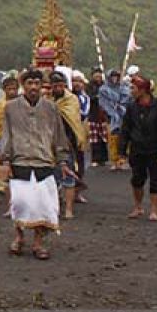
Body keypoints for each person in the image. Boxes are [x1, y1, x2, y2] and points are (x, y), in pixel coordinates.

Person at [0, 69, 72, 260]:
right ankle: (19, 237)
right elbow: (6, 135)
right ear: (24, 85)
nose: (33, 87)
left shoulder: (51, 108)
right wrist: (5, 160)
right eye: (29, 83)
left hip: (44, 162)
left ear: (41, 86)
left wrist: (63, 160)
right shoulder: (11, 108)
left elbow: (59, 136)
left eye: (36, 83)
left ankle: (39, 242)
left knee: (43, 206)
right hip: (20, 161)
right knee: (19, 203)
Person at [119, 75, 157, 221]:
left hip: (154, 148)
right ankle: (138, 206)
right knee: (137, 179)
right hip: (137, 148)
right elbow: (126, 129)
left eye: (133, 88)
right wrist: (122, 150)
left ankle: (154, 210)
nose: (131, 91)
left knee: (156, 179)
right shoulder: (131, 107)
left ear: (143, 90)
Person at [49, 71, 87, 219]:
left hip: (67, 141)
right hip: (49, 142)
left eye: (60, 85)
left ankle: (69, 209)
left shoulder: (71, 99)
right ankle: (54, 206)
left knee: (68, 175)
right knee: (51, 177)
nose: (58, 88)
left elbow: (74, 120)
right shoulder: (46, 99)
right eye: (55, 85)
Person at [0, 76, 20, 194]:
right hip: (1, 135)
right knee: (1, 160)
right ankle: (2, 186)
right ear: (4, 90)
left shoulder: (21, 103)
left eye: (14, 89)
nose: (12, 92)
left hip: (17, 136)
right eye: (9, 89)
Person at [98, 69, 132, 172]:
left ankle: (124, 159)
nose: (114, 79)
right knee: (113, 139)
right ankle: (115, 160)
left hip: (124, 115)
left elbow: (128, 99)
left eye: (116, 76)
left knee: (125, 138)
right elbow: (103, 102)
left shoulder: (124, 88)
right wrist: (111, 108)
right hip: (111, 117)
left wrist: (120, 104)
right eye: (112, 77)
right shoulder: (104, 89)